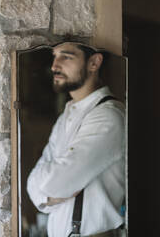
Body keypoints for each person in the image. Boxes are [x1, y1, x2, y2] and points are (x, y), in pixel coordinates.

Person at [27, 41, 125, 237]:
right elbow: (32, 183)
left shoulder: (108, 116)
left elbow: (56, 183)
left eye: (66, 56)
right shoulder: (66, 116)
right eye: (54, 56)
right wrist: (46, 194)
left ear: (94, 63)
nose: (55, 65)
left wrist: (49, 189)